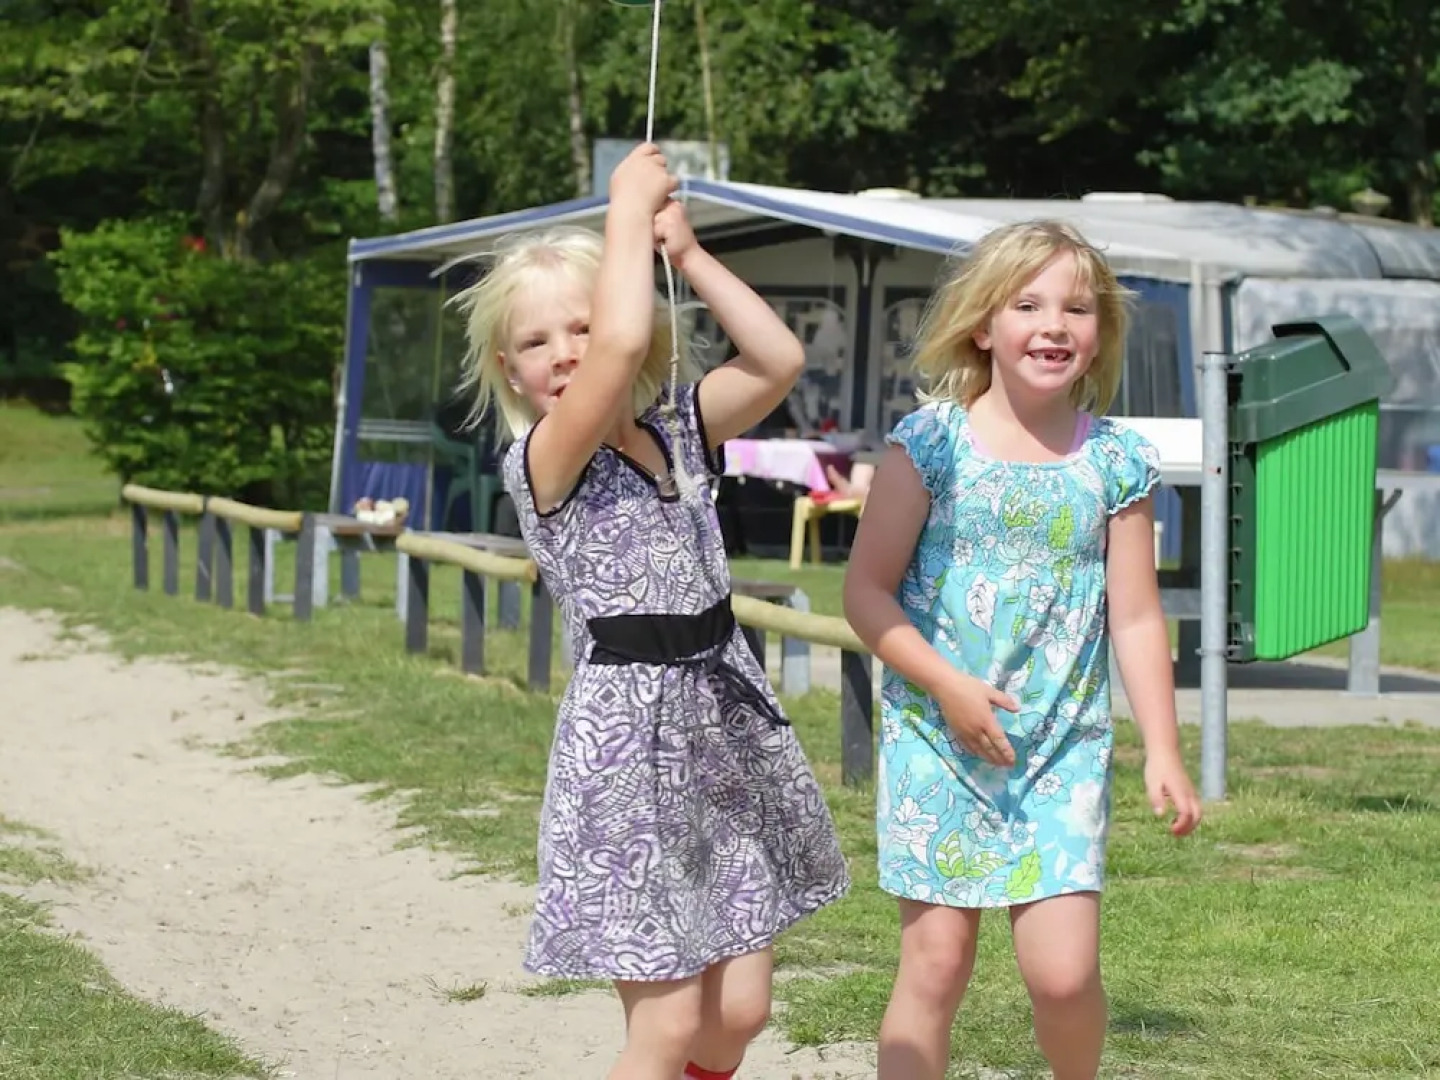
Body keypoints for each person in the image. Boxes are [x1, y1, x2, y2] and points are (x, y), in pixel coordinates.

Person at [452, 143, 850, 1080]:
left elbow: (779, 359)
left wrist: (690, 252)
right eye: (538, 342)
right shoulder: (544, 459)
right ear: (509, 368)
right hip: (629, 755)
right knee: (665, 1032)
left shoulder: (679, 429)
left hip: (722, 725)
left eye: (582, 326)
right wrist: (624, 208)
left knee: (739, 1015)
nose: (566, 352)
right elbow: (622, 349)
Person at [842, 219, 1202, 1080]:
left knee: (1064, 976)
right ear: (982, 325)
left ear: (1100, 332)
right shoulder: (929, 445)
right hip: (937, 740)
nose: (1054, 326)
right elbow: (866, 593)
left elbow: (1136, 618)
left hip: (1060, 753)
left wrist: (1163, 747)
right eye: (1028, 305)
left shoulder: (1116, 460)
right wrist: (947, 686)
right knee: (935, 966)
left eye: (1077, 308)